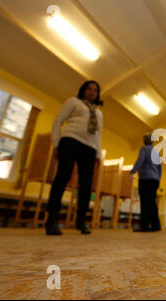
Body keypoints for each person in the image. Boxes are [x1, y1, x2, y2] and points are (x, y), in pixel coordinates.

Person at [45, 81, 103, 236]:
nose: (92, 92)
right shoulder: (73, 102)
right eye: (89, 89)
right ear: (83, 90)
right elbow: (58, 121)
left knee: (86, 184)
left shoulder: (98, 112)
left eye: (95, 90)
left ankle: (81, 220)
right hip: (71, 140)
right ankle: (52, 219)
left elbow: (99, 134)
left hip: (90, 147)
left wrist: (98, 155)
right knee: (63, 177)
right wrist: (57, 143)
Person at [130, 134, 162, 232]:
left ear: (145, 141)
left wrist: (132, 172)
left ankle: (144, 226)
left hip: (145, 179)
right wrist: (158, 179)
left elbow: (141, 160)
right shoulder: (156, 152)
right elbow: (159, 168)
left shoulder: (144, 149)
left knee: (144, 202)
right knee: (152, 202)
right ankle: (156, 225)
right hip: (154, 180)